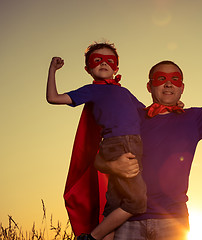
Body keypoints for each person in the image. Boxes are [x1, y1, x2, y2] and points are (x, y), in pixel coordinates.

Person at [95, 47, 202, 240]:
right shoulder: (131, 117)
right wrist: (112, 165)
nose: (168, 84)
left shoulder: (194, 118)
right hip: (127, 221)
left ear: (182, 88)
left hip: (173, 222)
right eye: (161, 79)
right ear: (149, 86)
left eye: (175, 80)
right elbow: (98, 159)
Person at [46, 42, 148, 240]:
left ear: (116, 68)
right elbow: (53, 97)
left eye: (110, 60)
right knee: (137, 201)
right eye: (97, 59)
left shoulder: (123, 92)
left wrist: (171, 107)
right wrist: (52, 70)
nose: (104, 63)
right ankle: (90, 238)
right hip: (118, 144)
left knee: (114, 205)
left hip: (131, 143)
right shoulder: (91, 90)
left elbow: (147, 114)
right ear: (88, 68)